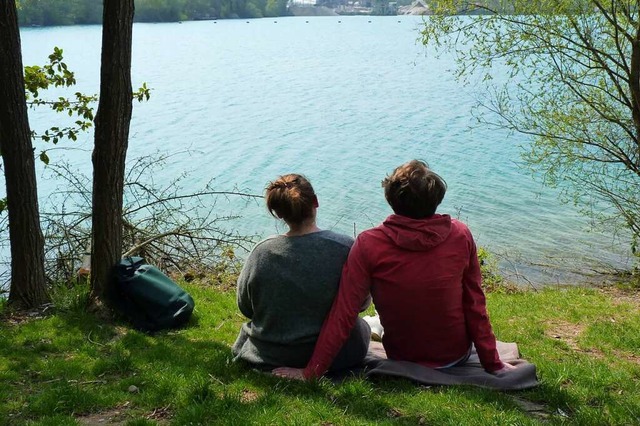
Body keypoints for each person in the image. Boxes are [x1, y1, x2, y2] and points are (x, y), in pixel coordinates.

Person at [273, 160, 515, 380]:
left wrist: (312, 371)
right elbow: (475, 304)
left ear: (391, 200)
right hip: (454, 356)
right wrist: (492, 363)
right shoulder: (460, 234)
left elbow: (344, 313)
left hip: (403, 357)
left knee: (374, 318)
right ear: (436, 199)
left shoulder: (369, 243)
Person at [231, 173, 371, 371]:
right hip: (339, 355)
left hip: (270, 353)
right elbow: (362, 304)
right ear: (315, 201)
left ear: (279, 213)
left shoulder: (261, 253)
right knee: (362, 327)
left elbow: (245, 307)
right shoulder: (346, 248)